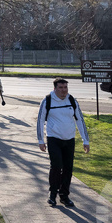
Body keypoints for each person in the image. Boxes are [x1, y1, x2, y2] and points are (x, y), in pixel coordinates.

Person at [37, 78, 90, 208]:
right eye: (60, 88)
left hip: (69, 139)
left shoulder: (72, 100)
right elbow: (40, 121)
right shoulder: (47, 101)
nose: (63, 90)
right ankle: (52, 195)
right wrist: (41, 140)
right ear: (55, 88)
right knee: (56, 166)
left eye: (65, 87)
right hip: (54, 138)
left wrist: (85, 140)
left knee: (68, 168)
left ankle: (64, 196)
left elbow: (80, 120)